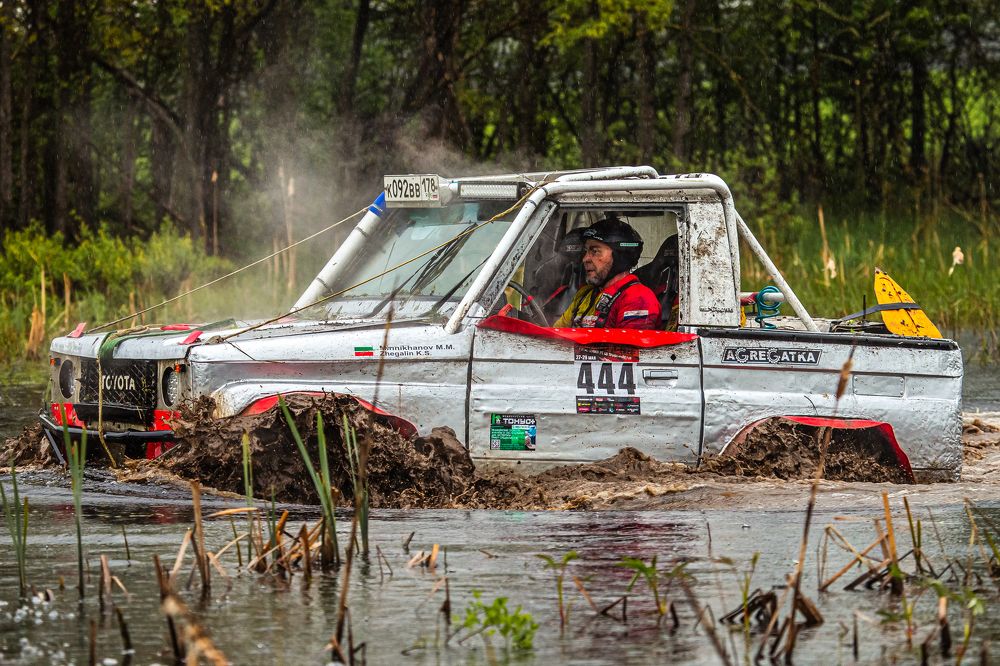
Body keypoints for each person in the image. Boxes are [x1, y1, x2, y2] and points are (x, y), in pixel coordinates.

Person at [554, 216, 661, 329]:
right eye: (586, 251)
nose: (585, 259)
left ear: (619, 256)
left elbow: (629, 345)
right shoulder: (584, 294)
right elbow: (556, 336)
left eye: (595, 251)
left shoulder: (638, 298)